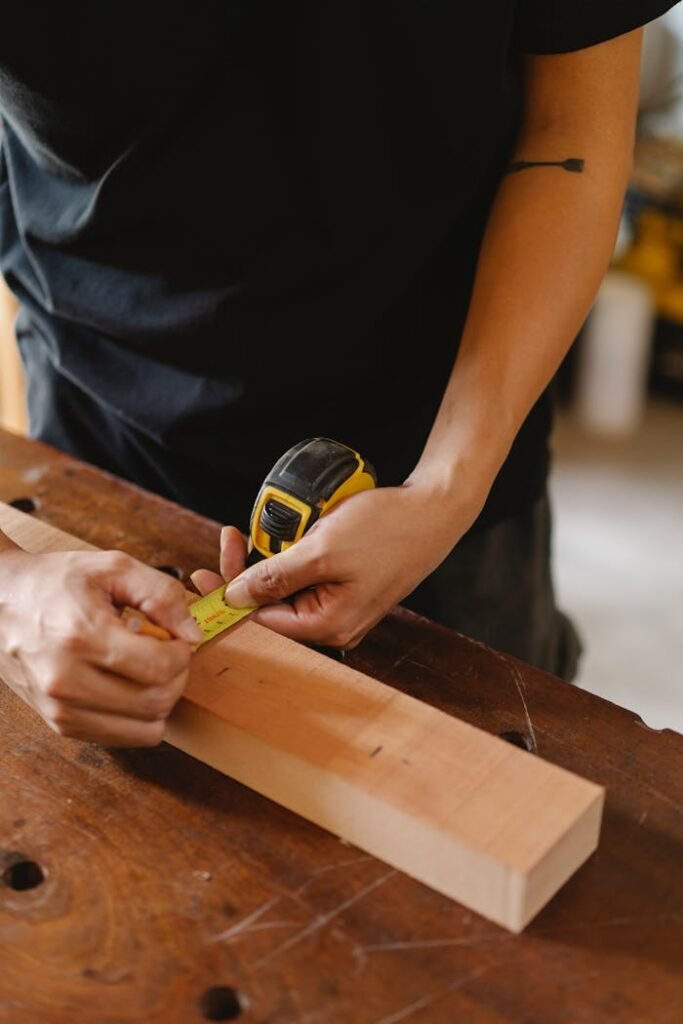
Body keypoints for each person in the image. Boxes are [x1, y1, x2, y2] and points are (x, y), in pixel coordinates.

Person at [0, 3, 676, 747]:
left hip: (455, 442)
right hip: (99, 436)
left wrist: (447, 486)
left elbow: (570, 128)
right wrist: (11, 590)